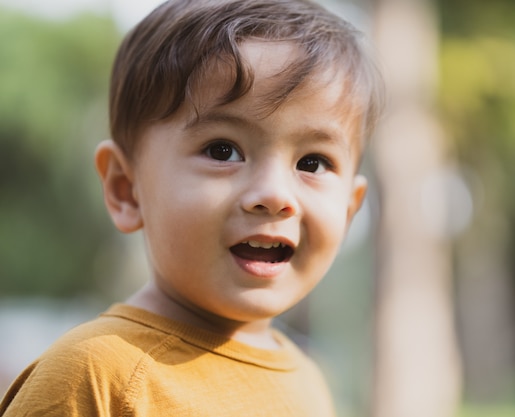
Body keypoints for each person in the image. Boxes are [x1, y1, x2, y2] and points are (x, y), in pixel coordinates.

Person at [0, 0, 384, 415]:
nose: (274, 195)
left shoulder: (306, 379)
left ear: (348, 210)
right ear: (127, 189)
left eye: (312, 163)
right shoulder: (97, 375)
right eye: (223, 150)